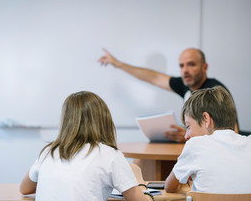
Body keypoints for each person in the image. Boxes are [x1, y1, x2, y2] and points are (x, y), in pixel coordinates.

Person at [20, 91, 156, 201]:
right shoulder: (111, 156)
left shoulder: (49, 152)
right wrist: (139, 182)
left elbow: (24, 188)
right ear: (104, 120)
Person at [98, 48, 235, 143]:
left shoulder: (216, 92)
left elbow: (232, 134)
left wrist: (190, 136)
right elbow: (154, 77)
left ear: (204, 67)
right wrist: (118, 64)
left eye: (191, 65)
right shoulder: (184, 85)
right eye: (181, 66)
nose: (185, 70)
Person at [164, 86, 251, 193]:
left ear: (206, 119)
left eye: (188, 127)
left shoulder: (195, 145)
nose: (186, 136)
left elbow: (169, 187)